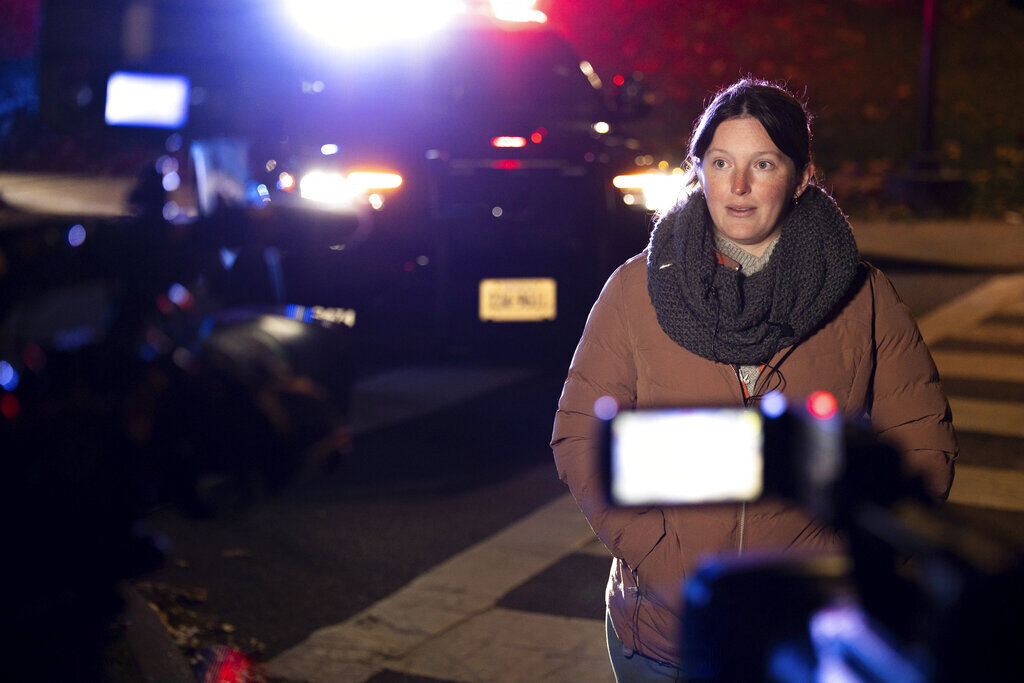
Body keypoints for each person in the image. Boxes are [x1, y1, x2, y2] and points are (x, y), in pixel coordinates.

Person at [550, 78, 957, 680]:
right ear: (701, 171)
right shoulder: (638, 288)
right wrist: (667, 567)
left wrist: (841, 565)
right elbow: (580, 435)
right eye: (721, 163)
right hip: (666, 635)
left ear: (799, 176)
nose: (738, 186)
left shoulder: (864, 297)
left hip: (806, 636)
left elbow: (923, 449)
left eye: (762, 163)